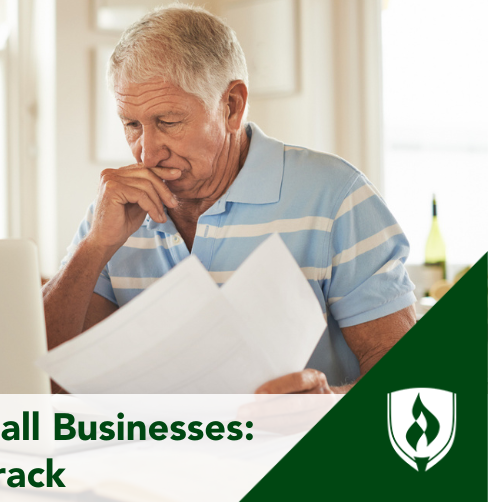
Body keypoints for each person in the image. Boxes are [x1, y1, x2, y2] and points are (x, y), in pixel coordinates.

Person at [42, 4, 416, 394]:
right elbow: (42, 382)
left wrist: (324, 406)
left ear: (231, 106)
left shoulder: (337, 196)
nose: (146, 153)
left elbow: (410, 380)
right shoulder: (112, 213)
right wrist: (95, 246)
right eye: (131, 125)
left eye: (168, 122)